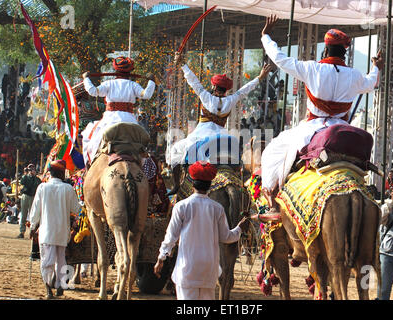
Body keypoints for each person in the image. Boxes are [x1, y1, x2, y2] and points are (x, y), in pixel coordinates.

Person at [258, 15, 383, 210]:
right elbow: (371, 83)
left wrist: (266, 36)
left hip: (311, 129)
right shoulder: (354, 75)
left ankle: (272, 204)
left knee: (271, 153)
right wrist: (376, 67)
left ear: (325, 49)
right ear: (345, 53)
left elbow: (280, 59)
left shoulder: (311, 68)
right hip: (343, 129)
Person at [166, 52, 272, 195]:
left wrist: (182, 64)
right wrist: (259, 78)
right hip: (223, 138)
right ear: (226, 90)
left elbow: (193, 81)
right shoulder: (230, 100)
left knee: (175, 150)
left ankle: (176, 185)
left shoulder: (206, 97)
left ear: (214, 87)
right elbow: (244, 91)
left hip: (200, 137)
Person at [154, 161, 249, 300]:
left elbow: (171, 236)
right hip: (209, 273)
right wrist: (240, 228)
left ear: (192, 184)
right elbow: (227, 237)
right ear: (210, 185)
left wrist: (161, 258)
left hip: (187, 270)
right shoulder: (217, 208)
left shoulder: (181, 206)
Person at [81, 56, 155, 165]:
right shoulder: (133, 85)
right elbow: (147, 95)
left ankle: (89, 165)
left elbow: (93, 91)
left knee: (89, 137)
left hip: (109, 119)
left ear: (115, 70)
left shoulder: (109, 83)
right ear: (130, 71)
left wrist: (86, 79)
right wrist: (151, 82)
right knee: (142, 145)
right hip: (130, 120)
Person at [29, 160, 81, 299]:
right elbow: (77, 209)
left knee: (47, 261)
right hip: (63, 233)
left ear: (50, 173)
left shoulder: (42, 187)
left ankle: (48, 289)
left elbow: (35, 210)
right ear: (61, 173)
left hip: (47, 232)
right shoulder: (68, 189)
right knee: (61, 260)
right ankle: (60, 287)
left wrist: (33, 227)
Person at [18, 164, 41, 239]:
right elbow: (21, 183)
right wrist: (25, 174)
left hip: (33, 197)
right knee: (23, 214)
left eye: (32, 169)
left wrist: (34, 176)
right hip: (26, 196)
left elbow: (39, 186)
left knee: (33, 214)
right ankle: (22, 232)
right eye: (30, 169)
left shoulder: (37, 179)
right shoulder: (25, 177)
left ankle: (32, 231)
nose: (31, 171)